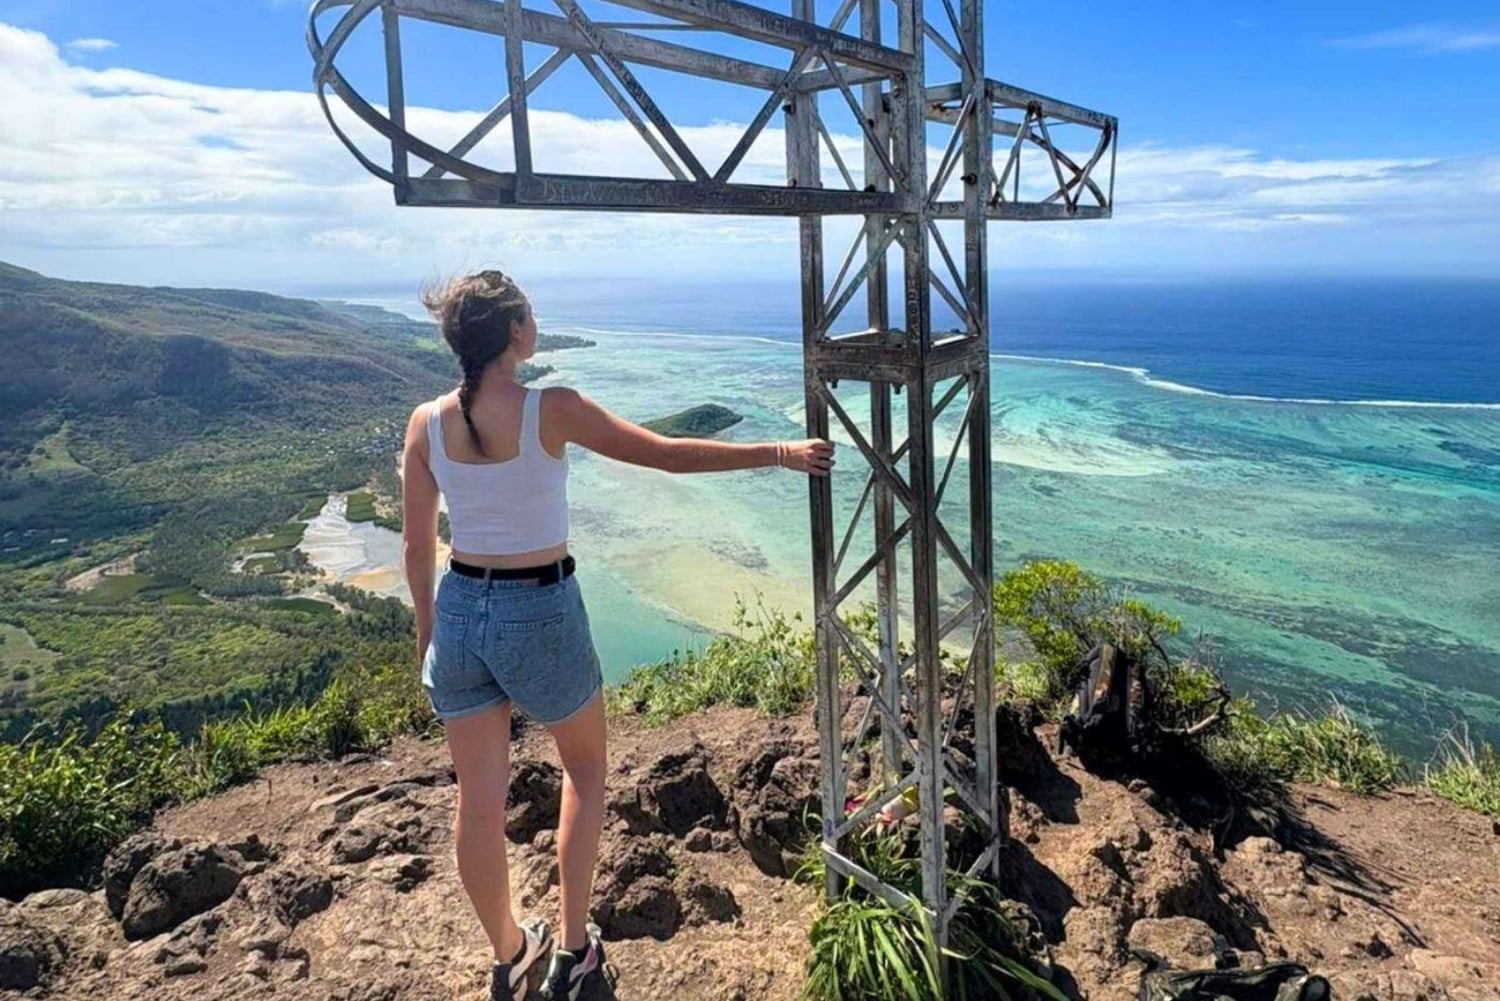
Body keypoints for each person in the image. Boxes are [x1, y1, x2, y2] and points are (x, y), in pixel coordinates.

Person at [400, 270, 834, 1001]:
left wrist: (428, 636)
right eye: (529, 314)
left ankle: (510, 956)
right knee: (585, 772)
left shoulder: (426, 422)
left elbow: (416, 548)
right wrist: (781, 453)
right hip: (538, 607)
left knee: (476, 803)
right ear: (514, 332)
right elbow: (664, 454)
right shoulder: (552, 408)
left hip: (460, 608)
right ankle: (574, 954)